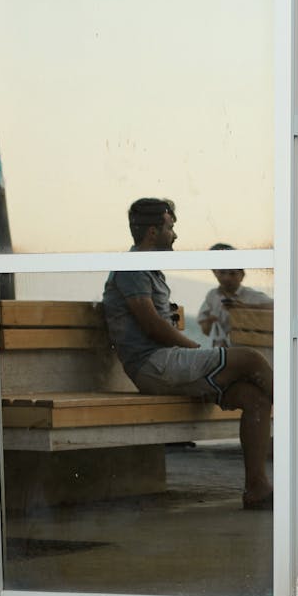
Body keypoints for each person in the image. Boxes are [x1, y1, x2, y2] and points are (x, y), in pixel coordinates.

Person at [102, 198, 273, 510]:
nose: (175, 234)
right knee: (251, 360)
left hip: (165, 363)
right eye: (171, 227)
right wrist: (195, 348)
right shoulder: (131, 268)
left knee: (255, 398)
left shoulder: (149, 271)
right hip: (154, 365)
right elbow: (152, 325)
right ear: (153, 232)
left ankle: (257, 488)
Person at [197, 243, 273, 347]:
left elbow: (277, 307)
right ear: (215, 272)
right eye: (222, 272)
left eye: (232, 273)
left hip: (245, 352)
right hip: (220, 354)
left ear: (242, 275)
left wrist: (244, 308)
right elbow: (205, 329)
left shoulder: (252, 296)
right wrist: (212, 320)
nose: (227, 278)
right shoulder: (213, 295)